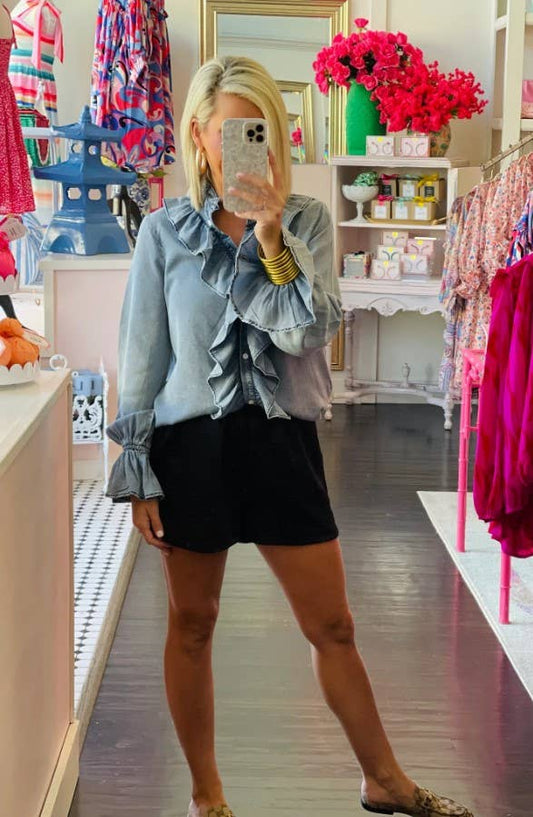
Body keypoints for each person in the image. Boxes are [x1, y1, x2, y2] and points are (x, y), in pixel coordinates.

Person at [105, 55, 474, 817]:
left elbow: (307, 334)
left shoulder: (305, 220)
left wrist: (271, 238)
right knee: (192, 622)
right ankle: (206, 796)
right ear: (199, 137)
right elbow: (142, 355)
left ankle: (383, 779)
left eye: (260, 130)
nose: (249, 145)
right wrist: (136, 466)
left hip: (281, 443)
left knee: (332, 623)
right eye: (231, 131)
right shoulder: (164, 233)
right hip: (191, 447)